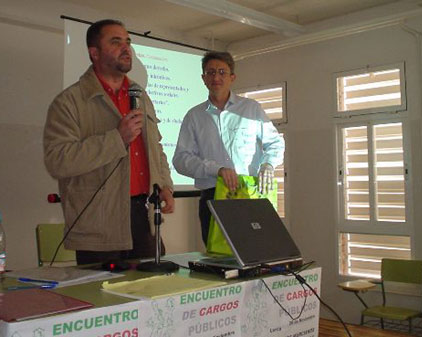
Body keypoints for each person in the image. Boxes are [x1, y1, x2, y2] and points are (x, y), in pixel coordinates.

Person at [43, 19, 174, 265]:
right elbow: (57, 161)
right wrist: (117, 139)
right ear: (94, 53)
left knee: (152, 295)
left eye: (128, 42)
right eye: (116, 42)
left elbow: (155, 147)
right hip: (98, 224)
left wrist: (164, 182)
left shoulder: (140, 95)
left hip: (142, 217)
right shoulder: (69, 102)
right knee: (102, 301)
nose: (127, 48)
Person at [173, 51, 284, 245]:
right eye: (211, 72)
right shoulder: (194, 116)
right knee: (219, 261)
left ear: (232, 77)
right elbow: (181, 159)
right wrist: (216, 169)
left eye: (222, 72)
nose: (216, 77)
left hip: (249, 194)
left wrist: (268, 165)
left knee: (256, 252)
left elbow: (274, 142)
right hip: (213, 197)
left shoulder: (251, 108)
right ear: (203, 78)